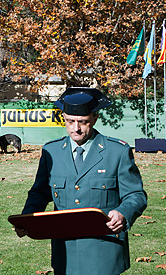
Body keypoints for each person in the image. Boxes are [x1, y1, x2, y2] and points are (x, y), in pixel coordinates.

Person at [15, 87, 147, 275]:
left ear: (95, 118)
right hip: (65, 252)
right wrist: (27, 218)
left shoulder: (116, 152)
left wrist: (123, 213)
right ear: (64, 118)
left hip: (104, 251)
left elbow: (135, 195)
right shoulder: (51, 152)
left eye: (83, 122)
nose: (76, 128)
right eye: (70, 121)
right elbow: (39, 192)